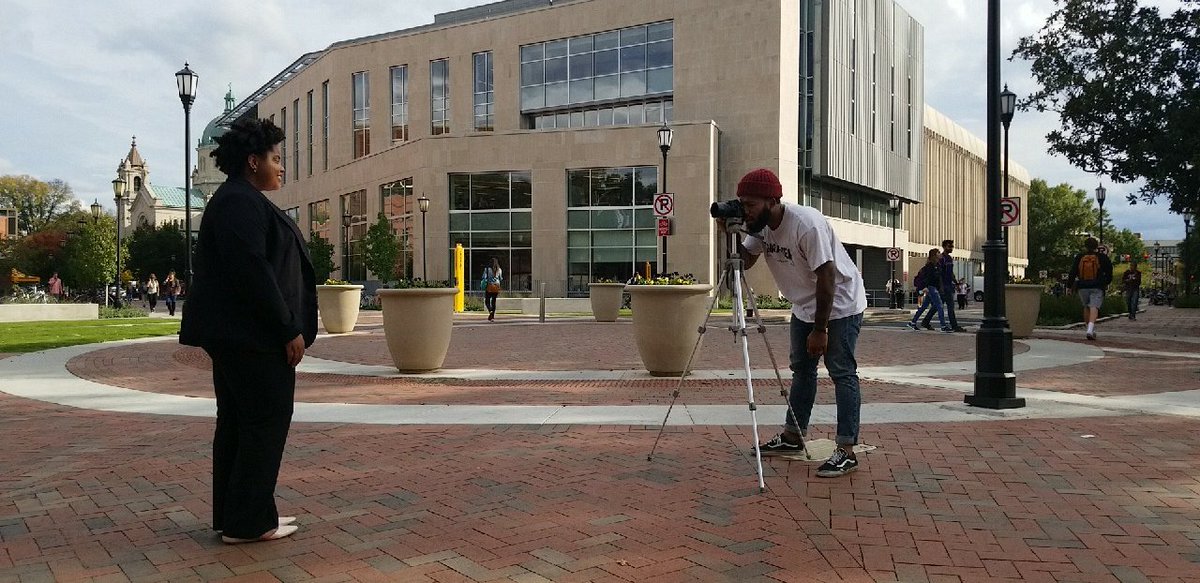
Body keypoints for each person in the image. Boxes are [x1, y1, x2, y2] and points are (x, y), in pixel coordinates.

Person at [180, 117, 317, 544]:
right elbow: (252, 272)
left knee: (240, 423)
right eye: (276, 159)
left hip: (240, 335)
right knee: (264, 422)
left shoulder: (237, 199)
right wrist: (286, 327)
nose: (282, 166)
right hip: (252, 338)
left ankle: (237, 515)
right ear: (253, 161)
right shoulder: (239, 201)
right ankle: (249, 522)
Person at [726, 168, 867, 478]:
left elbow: (827, 276)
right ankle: (793, 436)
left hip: (839, 303)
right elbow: (744, 262)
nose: (746, 210)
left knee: (842, 372)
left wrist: (820, 330)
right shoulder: (761, 226)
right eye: (742, 204)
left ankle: (846, 449)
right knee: (802, 370)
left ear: (772, 201)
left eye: (750, 204)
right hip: (804, 305)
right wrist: (730, 231)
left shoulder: (806, 224)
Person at [1067, 236, 1113, 341]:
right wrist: (1106, 282)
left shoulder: (1080, 257)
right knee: (1094, 306)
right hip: (1097, 285)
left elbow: (1073, 271)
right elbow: (1109, 271)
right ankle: (1090, 329)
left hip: (1082, 286)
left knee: (1086, 306)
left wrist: (1069, 286)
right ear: (1096, 246)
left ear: (1085, 246)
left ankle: (1089, 328)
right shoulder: (1102, 257)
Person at [920, 240, 966, 332]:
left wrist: (956, 283)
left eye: (952, 246)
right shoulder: (942, 259)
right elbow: (939, 274)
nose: (951, 248)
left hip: (948, 285)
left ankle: (926, 321)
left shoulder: (949, 258)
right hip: (943, 286)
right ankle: (954, 325)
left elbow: (951, 272)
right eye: (949, 246)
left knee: (937, 305)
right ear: (944, 247)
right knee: (949, 306)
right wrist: (941, 287)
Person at [906, 249, 953, 332]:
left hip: (932, 288)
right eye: (938, 253)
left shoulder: (937, 265)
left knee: (924, 306)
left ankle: (912, 322)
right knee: (939, 306)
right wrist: (926, 287)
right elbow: (929, 278)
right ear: (934, 255)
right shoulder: (930, 266)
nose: (940, 254)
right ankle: (943, 326)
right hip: (931, 288)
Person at [482, 257, 502, 321]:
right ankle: (492, 317)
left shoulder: (487, 269)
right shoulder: (499, 270)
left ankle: (490, 311)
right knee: (493, 301)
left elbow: (484, 277)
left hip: (490, 286)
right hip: (496, 286)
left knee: (487, 301)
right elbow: (501, 278)